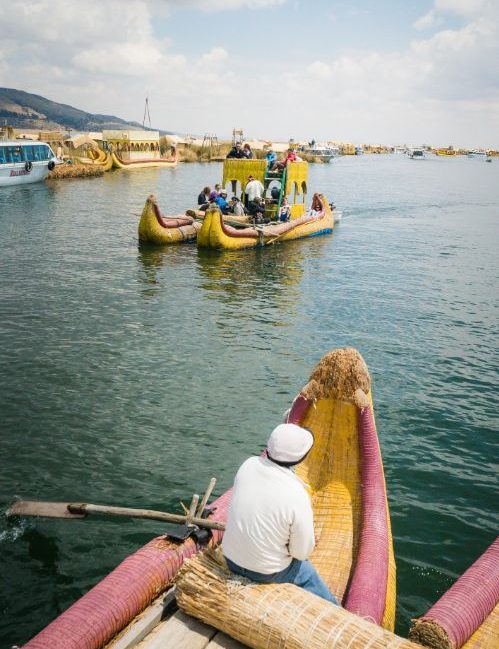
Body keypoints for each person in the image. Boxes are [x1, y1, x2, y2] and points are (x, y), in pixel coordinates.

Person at [222, 423, 338, 604]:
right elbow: (301, 552)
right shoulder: (297, 493)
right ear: (301, 458)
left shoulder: (248, 465)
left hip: (231, 560)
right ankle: (335, 610)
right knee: (307, 574)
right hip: (265, 572)